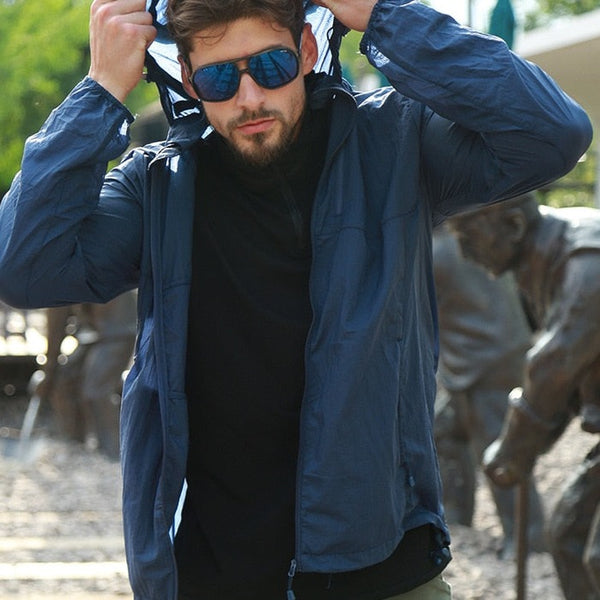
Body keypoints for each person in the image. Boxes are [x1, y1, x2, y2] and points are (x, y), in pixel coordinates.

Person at [0, 0, 592, 597]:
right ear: (187, 79)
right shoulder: (157, 187)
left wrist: (385, 16)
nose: (249, 97)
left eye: (273, 65)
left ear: (308, 51)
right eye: (220, 77)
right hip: (213, 574)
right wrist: (101, 90)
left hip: (382, 564)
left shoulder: (393, 146)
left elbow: (552, 133)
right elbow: (23, 268)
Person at [449, 194, 600, 600]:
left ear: (513, 226)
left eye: (469, 236)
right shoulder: (544, 259)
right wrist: (527, 445)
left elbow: (554, 364)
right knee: (568, 535)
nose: (464, 252)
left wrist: (514, 451)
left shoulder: (586, 262)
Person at [432, 223, 545, 558]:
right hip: (495, 353)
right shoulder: (467, 236)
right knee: (445, 430)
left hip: (481, 363)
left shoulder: (433, 251)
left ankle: (529, 538)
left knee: (499, 452)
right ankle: (456, 517)